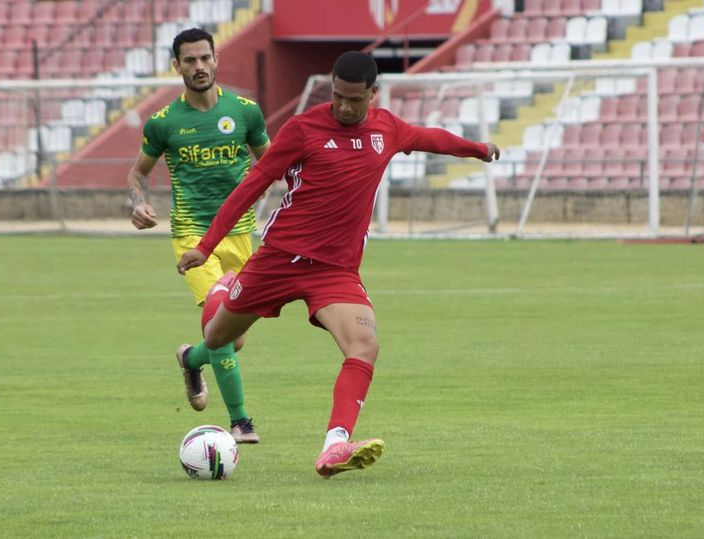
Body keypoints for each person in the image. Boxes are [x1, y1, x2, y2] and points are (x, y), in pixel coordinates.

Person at [176, 51, 500, 478]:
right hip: (278, 260)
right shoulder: (303, 128)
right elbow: (252, 186)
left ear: (373, 95)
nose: (344, 107)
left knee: (365, 346)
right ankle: (192, 357)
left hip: (335, 270)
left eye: (354, 99)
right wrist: (206, 245)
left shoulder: (388, 128)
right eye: (337, 97)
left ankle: (335, 445)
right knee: (220, 339)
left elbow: (430, 137)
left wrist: (478, 149)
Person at [126, 28, 270, 443]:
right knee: (221, 326)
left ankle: (191, 359)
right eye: (189, 60)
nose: (199, 66)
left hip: (242, 234)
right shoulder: (165, 123)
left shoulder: (245, 113)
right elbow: (138, 173)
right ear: (177, 66)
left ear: (216, 59)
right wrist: (137, 202)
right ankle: (241, 421)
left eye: (204, 58)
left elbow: (274, 164)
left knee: (234, 340)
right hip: (192, 238)